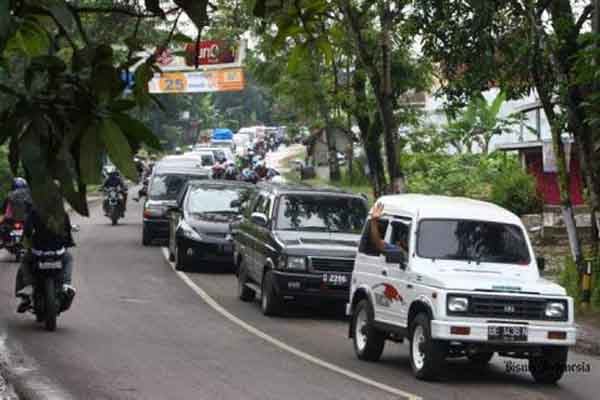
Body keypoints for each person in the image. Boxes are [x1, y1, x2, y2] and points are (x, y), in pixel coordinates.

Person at [15, 209, 76, 313]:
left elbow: (28, 231)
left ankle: (29, 285)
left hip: (38, 252)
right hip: (58, 252)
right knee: (69, 259)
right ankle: (66, 284)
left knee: (24, 261)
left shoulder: (34, 212)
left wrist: (24, 241)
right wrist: (69, 243)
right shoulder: (61, 212)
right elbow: (67, 232)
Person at [0, 178, 32, 243]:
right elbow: (31, 209)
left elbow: (3, 210)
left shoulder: (9, 195)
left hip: (10, 220)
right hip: (25, 221)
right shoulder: (29, 196)